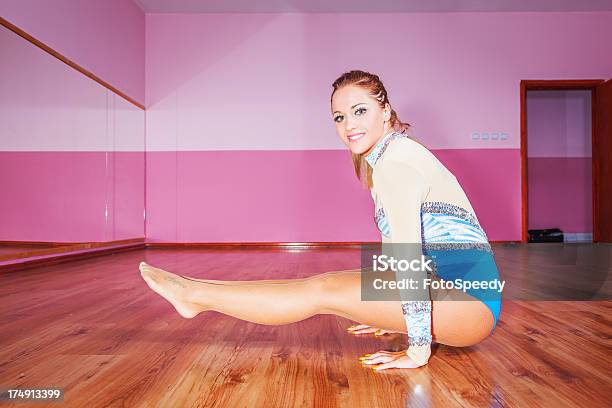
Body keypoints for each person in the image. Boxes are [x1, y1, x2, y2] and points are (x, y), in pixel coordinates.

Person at [139, 69, 502, 371]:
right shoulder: (391, 158)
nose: (348, 125)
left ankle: (194, 296)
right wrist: (386, 312)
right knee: (326, 285)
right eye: (339, 117)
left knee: (323, 290)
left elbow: (408, 262)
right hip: (454, 294)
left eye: (360, 111)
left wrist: (417, 349)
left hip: (472, 307)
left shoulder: (397, 165)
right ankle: (195, 289)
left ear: (386, 110)